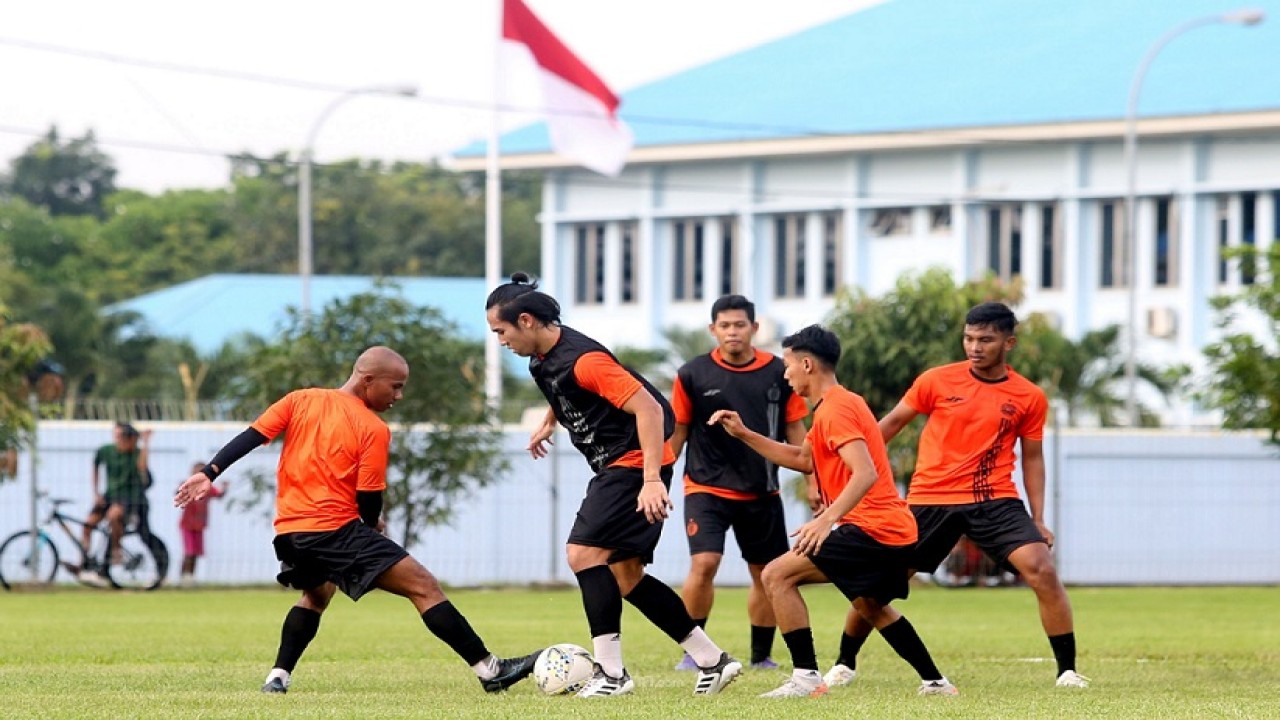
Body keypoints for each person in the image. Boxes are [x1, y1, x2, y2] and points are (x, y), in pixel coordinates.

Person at [173, 346, 539, 694]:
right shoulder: (372, 428)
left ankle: (278, 677)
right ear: (368, 380)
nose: (399, 396)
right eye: (395, 386)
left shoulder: (299, 399)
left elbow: (252, 436)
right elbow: (368, 498)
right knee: (424, 586)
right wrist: (372, 525)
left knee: (316, 596)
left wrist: (210, 471)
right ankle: (491, 670)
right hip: (334, 530)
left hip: (289, 533)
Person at [486, 272, 742, 698]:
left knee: (582, 552)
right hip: (618, 466)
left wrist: (650, 480)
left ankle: (611, 673)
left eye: (501, 331)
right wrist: (550, 422)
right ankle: (713, 659)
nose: (500, 340)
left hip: (634, 464)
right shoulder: (540, 360)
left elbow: (649, 409)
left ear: (526, 321)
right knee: (625, 575)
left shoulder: (585, 360)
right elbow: (564, 393)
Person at [825, 301, 1088, 689]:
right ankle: (845, 662)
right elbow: (890, 425)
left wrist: (1038, 517)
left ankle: (1067, 671)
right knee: (878, 583)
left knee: (1042, 569)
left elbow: (1033, 459)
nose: (975, 346)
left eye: (985, 339)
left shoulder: (1029, 397)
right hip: (930, 498)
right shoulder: (936, 380)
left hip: (994, 499)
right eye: (968, 338)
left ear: (1008, 342)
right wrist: (845, 471)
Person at [710, 325, 957, 698]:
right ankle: (936, 683)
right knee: (870, 606)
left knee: (776, 575)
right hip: (892, 529)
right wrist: (744, 433)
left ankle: (806, 679)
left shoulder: (836, 410)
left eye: (788, 365)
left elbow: (865, 473)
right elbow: (803, 458)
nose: (786, 373)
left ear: (807, 364)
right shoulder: (839, 404)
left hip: (874, 529)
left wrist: (825, 521)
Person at [669, 294, 813, 671]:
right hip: (705, 487)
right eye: (725, 325)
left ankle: (760, 656)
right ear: (712, 329)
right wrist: (655, 476)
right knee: (704, 563)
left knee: (766, 574)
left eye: (740, 324)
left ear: (754, 328)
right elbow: (678, 431)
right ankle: (695, 651)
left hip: (761, 490)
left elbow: (796, 428)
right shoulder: (691, 374)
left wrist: (814, 479)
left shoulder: (779, 373)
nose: (733, 331)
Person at [80, 422, 152, 586]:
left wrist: (146, 443)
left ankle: (116, 550)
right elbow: (95, 466)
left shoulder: (136, 453)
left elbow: (142, 467)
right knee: (87, 525)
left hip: (127, 497)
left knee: (114, 515)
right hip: (109, 496)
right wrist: (96, 492)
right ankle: (83, 562)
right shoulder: (106, 451)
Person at [178, 462, 226, 588]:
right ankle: (183, 577)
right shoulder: (188, 485)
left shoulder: (207, 488)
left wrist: (225, 487)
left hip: (200, 525)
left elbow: (219, 495)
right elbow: (178, 492)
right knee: (189, 552)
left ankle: (191, 577)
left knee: (196, 553)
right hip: (187, 525)